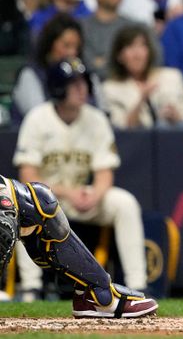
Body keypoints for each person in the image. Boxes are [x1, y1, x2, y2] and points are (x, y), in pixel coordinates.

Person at [13, 58, 150, 297]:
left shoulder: (96, 119)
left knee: (124, 202)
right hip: (48, 199)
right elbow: (28, 176)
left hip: (85, 197)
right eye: (73, 84)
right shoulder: (37, 118)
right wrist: (67, 193)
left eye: (83, 83)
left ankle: (138, 285)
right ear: (58, 88)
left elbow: (105, 172)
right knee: (21, 205)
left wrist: (94, 194)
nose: (81, 89)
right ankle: (31, 287)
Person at [0, 174, 157, 317]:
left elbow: (105, 173)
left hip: (85, 197)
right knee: (31, 202)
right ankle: (99, 294)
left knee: (30, 202)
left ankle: (97, 294)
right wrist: (70, 192)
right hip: (63, 193)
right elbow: (27, 173)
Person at [103, 25, 183, 129]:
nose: (137, 54)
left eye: (142, 46)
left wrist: (177, 117)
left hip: (175, 138)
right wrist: (141, 100)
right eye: (130, 47)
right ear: (119, 56)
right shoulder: (110, 89)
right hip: (136, 142)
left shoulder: (172, 77)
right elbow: (121, 127)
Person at [78, 0, 147, 80]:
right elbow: (88, 67)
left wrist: (102, 61)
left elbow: (152, 63)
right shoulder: (80, 28)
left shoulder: (137, 27)